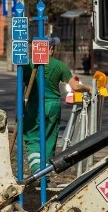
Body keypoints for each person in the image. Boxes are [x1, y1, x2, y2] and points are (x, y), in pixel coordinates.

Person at [23, 36, 91, 181]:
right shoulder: (60, 66)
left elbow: (22, 85)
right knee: (49, 139)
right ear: (51, 49)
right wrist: (88, 88)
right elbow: (75, 87)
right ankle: (44, 175)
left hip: (34, 105)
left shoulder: (28, 65)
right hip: (53, 105)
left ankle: (37, 171)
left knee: (33, 138)